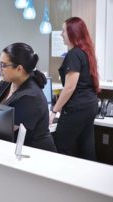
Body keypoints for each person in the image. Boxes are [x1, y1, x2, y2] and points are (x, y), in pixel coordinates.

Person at [49, 17, 99, 160]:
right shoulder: (86, 53)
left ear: (72, 32)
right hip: (90, 105)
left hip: (78, 107)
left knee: (60, 146)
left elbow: (70, 87)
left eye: (63, 30)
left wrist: (54, 110)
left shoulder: (74, 54)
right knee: (87, 148)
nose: (61, 34)